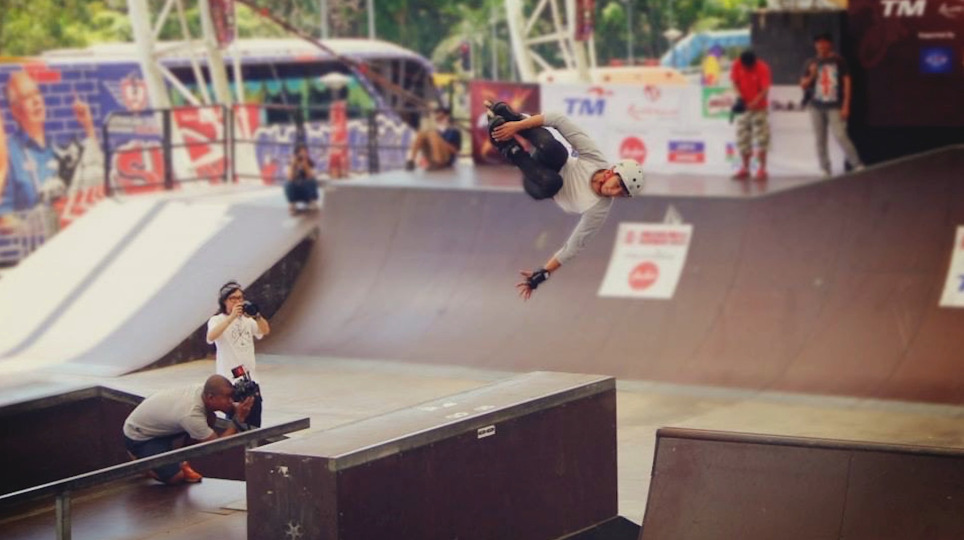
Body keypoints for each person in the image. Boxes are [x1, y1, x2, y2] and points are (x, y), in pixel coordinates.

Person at [485, 100, 645, 301]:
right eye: (619, 184)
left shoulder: (598, 210)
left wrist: (543, 273)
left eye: (622, 193)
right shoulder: (595, 158)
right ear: (612, 171)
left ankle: (508, 149)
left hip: (538, 184)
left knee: (554, 182)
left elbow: (574, 247)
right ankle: (513, 118)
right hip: (546, 160)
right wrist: (517, 126)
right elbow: (558, 119)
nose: (615, 192)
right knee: (558, 152)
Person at [122, 375, 255, 485]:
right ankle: (141, 464)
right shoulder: (191, 414)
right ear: (210, 397)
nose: (231, 401)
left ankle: (181, 462)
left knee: (209, 418)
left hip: (159, 426)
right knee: (176, 478)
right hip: (140, 436)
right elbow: (218, 448)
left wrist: (235, 407)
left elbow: (217, 408)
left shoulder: (202, 392)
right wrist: (238, 420)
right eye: (227, 397)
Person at [1, 70, 99, 215]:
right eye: (27, 97)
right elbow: (3, 216)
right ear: (15, 111)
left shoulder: (58, 149)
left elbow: (95, 174)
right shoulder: (9, 154)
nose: (36, 100)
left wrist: (88, 126)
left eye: (37, 93)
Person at [800, 33, 865, 177]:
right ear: (815, 45)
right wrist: (812, 75)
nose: (821, 45)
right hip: (816, 106)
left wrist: (846, 105)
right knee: (820, 138)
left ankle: (856, 163)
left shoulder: (839, 61)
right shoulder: (810, 62)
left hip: (835, 105)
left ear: (830, 44)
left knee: (840, 135)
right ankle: (825, 168)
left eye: (824, 42)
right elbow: (803, 85)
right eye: (818, 43)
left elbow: (847, 83)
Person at [207, 281, 270, 427]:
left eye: (240, 298)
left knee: (255, 422)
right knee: (234, 424)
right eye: (233, 298)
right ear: (224, 301)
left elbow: (265, 330)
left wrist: (257, 315)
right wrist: (231, 317)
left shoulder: (247, 320)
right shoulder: (217, 320)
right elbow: (211, 337)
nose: (238, 302)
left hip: (251, 379)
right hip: (230, 382)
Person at [729, 50, 772, 181]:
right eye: (745, 66)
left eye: (750, 66)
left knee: (761, 139)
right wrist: (739, 97)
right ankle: (745, 168)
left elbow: (765, 89)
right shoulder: (737, 64)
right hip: (743, 108)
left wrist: (755, 102)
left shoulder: (762, 67)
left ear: (754, 62)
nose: (747, 68)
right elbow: (734, 82)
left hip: (759, 108)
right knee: (743, 138)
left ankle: (762, 169)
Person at [405, 107, 462, 171]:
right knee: (421, 133)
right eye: (437, 118)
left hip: (445, 158)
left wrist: (440, 141)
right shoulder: (434, 130)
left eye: (441, 117)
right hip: (430, 157)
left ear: (447, 117)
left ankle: (437, 161)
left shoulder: (454, 131)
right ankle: (411, 160)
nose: (439, 120)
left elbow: (455, 151)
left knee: (431, 133)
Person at [285, 144, 319, 215]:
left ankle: (312, 201)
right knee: (288, 183)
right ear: (296, 154)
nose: (303, 154)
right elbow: (290, 178)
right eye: (301, 152)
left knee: (311, 181)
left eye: (305, 152)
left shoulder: (311, 163)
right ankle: (292, 204)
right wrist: (293, 165)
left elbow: (311, 176)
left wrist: (305, 165)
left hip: (306, 191)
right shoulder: (290, 163)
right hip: (296, 190)